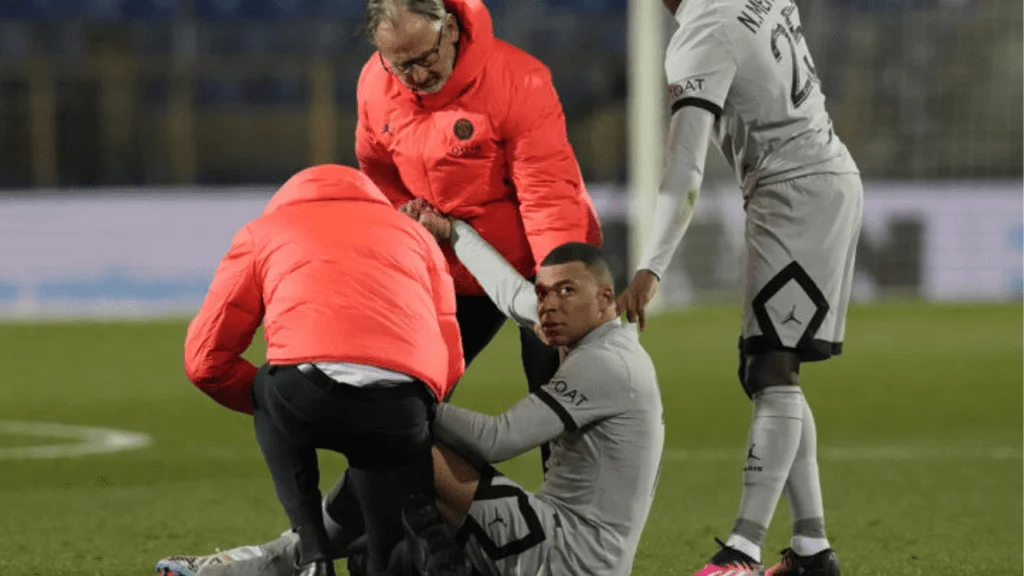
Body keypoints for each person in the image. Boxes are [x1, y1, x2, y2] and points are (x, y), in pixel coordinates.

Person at [155, 213, 664, 576]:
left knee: (396, 443)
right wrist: (455, 232)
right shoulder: (587, 335)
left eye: (566, 291)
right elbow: (511, 294)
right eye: (545, 291)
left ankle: (282, 561)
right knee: (390, 470)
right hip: (558, 536)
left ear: (605, 298)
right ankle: (302, 559)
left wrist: (408, 399)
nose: (548, 304)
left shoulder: (607, 363)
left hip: (566, 556)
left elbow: (499, 439)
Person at [616, 0, 862, 575]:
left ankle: (741, 552)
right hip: (812, 179)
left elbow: (685, 168)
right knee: (769, 368)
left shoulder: (703, 30)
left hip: (796, 191)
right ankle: (811, 551)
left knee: (771, 368)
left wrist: (651, 267)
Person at [174, 164, 468, 576]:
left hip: (306, 394)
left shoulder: (266, 230)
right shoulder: (416, 235)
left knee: (266, 389)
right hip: (401, 409)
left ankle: (313, 555)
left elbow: (205, 360)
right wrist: (414, 403)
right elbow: (451, 358)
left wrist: (274, 401)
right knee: (385, 550)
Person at [356, 0, 603, 418]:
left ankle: (564, 486)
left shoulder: (519, 81)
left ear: (450, 29)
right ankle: (410, 485)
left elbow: (548, 196)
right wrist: (404, 211)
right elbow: (377, 167)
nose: (415, 77)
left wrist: (561, 287)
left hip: (534, 263)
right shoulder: (374, 84)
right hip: (451, 265)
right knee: (407, 403)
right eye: (400, 65)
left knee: (559, 410)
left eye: (424, 59)